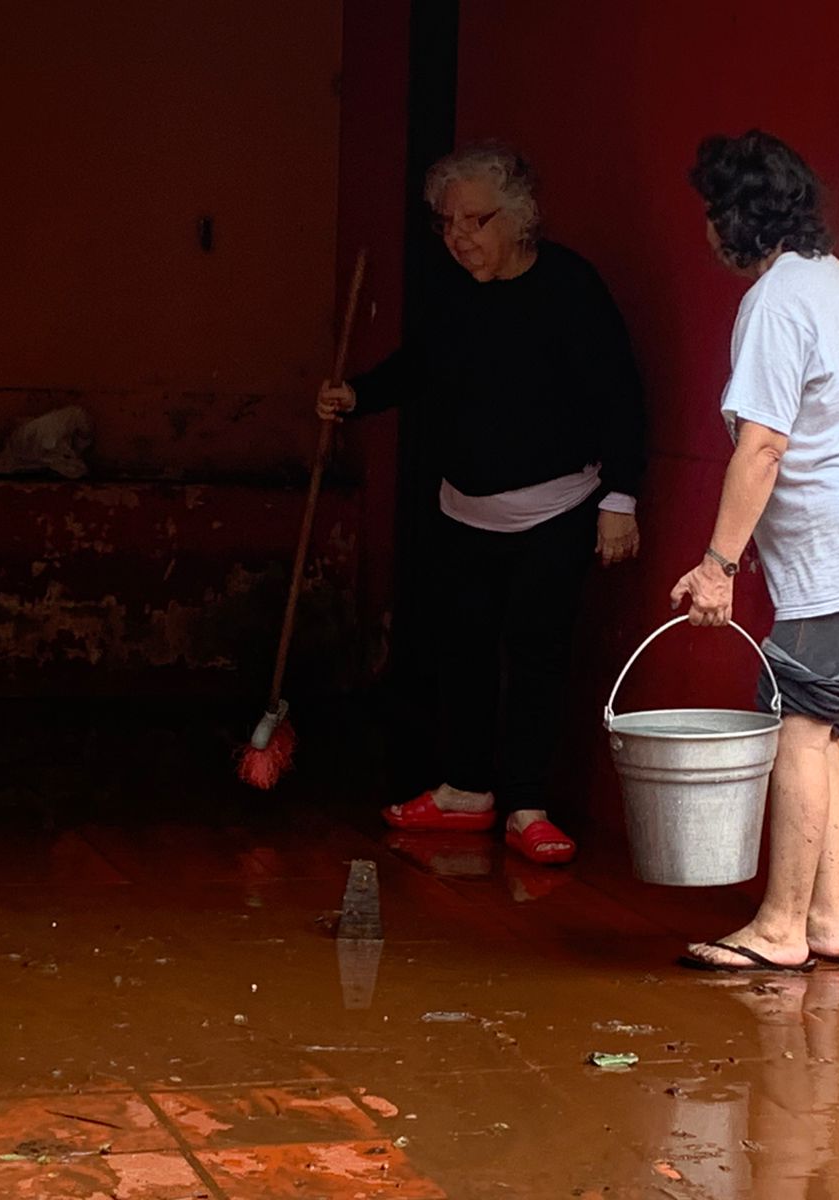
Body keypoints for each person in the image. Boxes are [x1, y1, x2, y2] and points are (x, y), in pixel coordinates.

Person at [318, 142, 645, 866]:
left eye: (476, 220)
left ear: (520, 217)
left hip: (555, 510)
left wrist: (620, 496)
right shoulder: (454, 291)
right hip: (462, 508)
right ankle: (467, 789)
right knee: (460, 650)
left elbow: (620, 394)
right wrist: (360, 396)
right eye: (447, 223)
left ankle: (528, 804)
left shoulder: (570, 287)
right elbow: (421, 365)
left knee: (536, 655)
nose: (460, 237)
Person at [671, 131, 839, 971]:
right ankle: (822, 922)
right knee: (815, 729)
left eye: (716, 211)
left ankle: (782, 927)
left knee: (794, 724)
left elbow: (762, 445)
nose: (709, 228)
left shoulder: (780, 300)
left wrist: (717, 563)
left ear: (743, 219)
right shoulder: (832, 283)